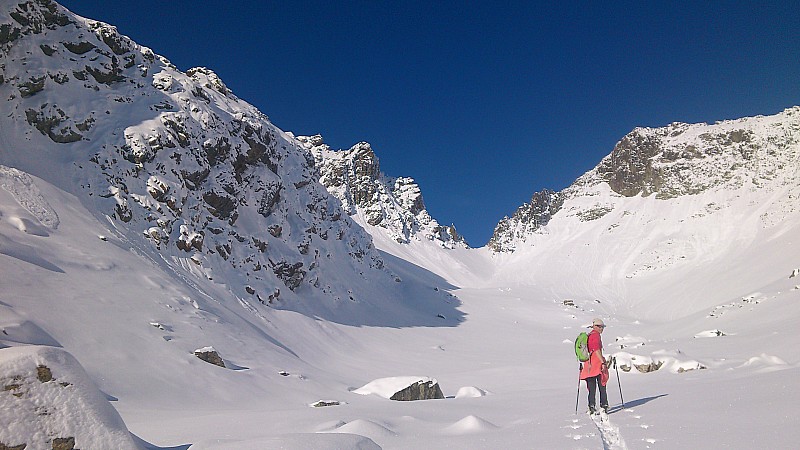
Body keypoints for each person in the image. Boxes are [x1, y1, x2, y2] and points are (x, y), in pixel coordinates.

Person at [579, 318, 609, 414]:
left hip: (589, 365)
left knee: (591, 387)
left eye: (602, 327)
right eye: (600, 327)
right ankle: (604, 405)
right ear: (595, 326)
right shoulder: (596, 336)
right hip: (597, 365)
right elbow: (596, 350)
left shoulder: (589, 335)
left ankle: (591, 406)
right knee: (602, 385)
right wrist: (603, 362)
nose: (602, 329)